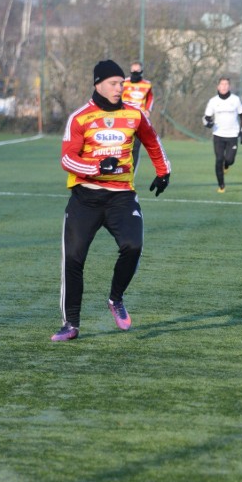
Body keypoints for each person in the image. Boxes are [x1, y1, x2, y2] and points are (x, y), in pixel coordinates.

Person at [53, 60, 171, 342]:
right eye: (114, 83)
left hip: (121, 198)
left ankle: (115, 299)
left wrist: (163, 171)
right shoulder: (80, 117)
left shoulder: (136, 114)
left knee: (133, 245)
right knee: (73, 259)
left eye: (122, 83)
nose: (121, 88)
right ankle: (71, 324)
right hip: (85, 199)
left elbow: (152, 141)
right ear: (98, 84)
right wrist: (96, 167)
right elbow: (67, 158)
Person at [203, 77, 242, 193]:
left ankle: (227, 165)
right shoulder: (213, 101)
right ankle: (221, 186)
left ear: (229, 86)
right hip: (218, 135)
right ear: (218, 87)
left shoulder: (235, 100)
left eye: (226, 84)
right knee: (219, 159)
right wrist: (208, 123)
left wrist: (241, 131)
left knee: (230, 160)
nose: (224, 86)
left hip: (232, 135)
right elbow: (206, 118)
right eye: (222, 84)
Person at [120, 61, 154, 169]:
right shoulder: (124, 83)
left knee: (136, 148)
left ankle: (132, 174)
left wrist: (148, 110)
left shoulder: (147, 84)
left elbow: (150, 98)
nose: (135, 73)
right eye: (133, 71)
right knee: (122, 146)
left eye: (137, 71)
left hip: (139, 120)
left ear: (141, 72)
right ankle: (120, 171)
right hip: (124, 119)